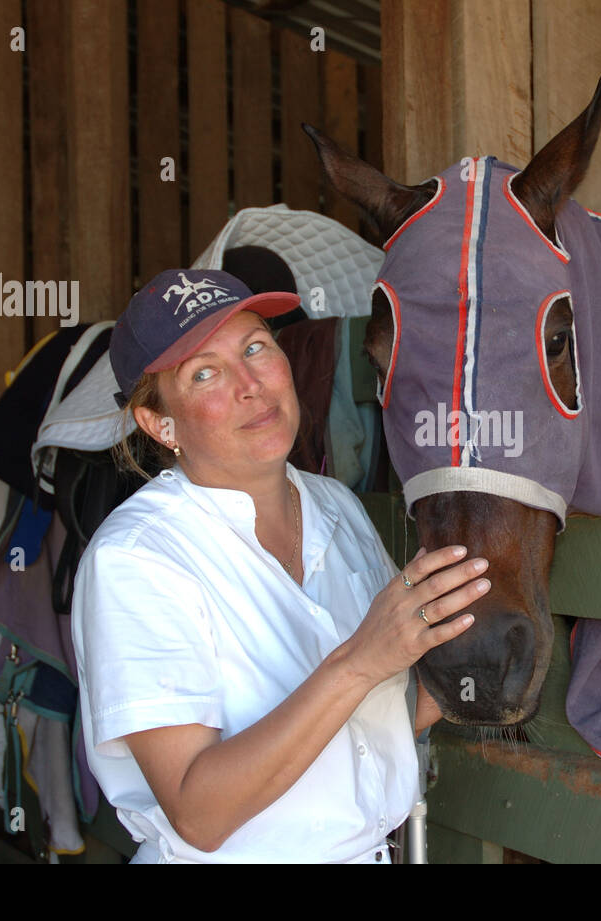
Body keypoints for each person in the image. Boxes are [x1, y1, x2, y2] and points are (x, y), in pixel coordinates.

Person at [70, 268, 490, 863]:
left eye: (255, 347)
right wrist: (359, 660)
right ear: (160, 424)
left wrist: (469, 641)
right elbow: (199, 813)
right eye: (205, 373)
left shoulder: (335, 506)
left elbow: (380, 719)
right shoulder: (137, 559)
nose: (250, 385)